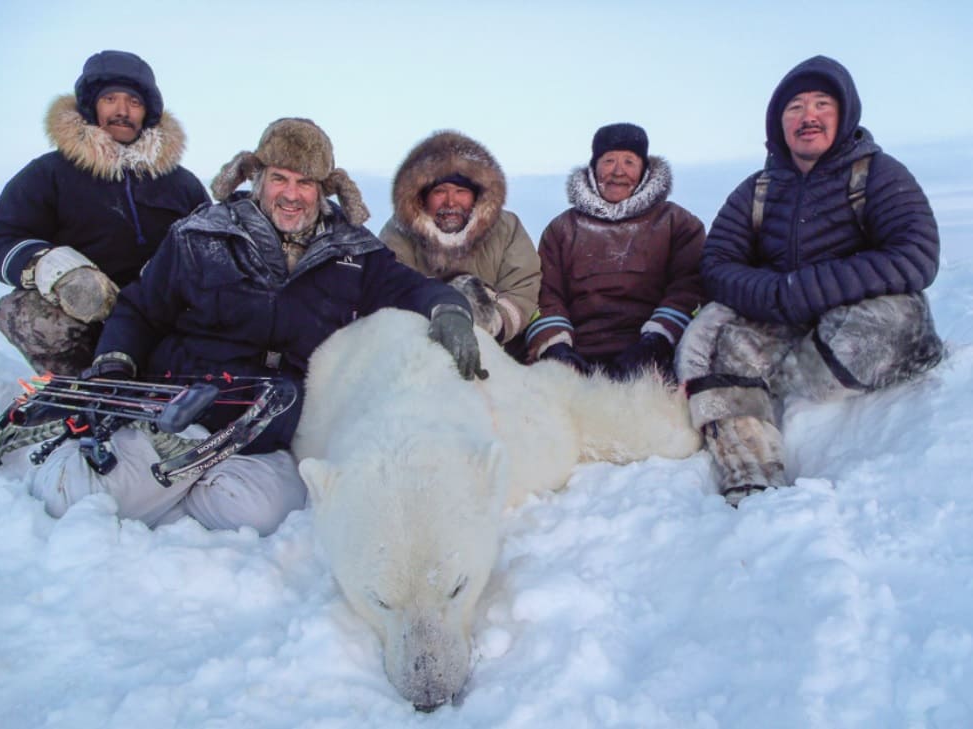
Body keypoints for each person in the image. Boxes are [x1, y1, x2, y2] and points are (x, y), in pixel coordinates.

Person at [25, 117, 484, 536]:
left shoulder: (355, 252)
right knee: (71, 495)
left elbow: (413, 289)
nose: (291, 194)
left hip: (271, 430)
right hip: (184, 412)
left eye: (305, 183)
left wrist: (450, 311)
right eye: (280, 178)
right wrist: (114, 366)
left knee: (251, 515)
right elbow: (140, 309)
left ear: (324, 189)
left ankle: (171, 494)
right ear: (257, 179)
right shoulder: (200, 234)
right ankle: (131, 471)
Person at [676, 55, 944, 507]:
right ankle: (751, 479)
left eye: (822, 104)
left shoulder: (879, 174)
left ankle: (788, 388)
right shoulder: (755, 190)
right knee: (724, 345)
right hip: (783, 320)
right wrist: (775, 295)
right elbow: (718, 263)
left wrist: (810, 288)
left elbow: (916, 255)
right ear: (779, 122)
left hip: (857, 323)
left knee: (897, 316)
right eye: (795, 107)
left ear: (844, 114)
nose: (809, 116)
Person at [0, 50, 209, 375]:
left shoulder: (182, 183)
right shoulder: (49, 173)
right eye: (110, 99)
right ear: (91, 106)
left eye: (133, 102)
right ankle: (80, 388)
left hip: (163, 311)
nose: (121, 111)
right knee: (23, 311)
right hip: (85, 312)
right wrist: (54, 269)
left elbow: (213, 247)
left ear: (148, 112)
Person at [524, 123, 706, 381]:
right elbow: (546, 294)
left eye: (630, 162)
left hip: (655, 353)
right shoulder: (562, 229)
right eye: (608, 160)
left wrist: (657, 341)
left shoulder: (677, 223)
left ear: (644, 170)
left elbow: (689, 287)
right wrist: (556, 347)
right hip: (578, 354)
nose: (618, 171)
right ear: (594, 167)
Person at [378, 130, 541, 353]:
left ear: (477, 195)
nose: (451, 201)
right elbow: (391, 288)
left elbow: (522, 287)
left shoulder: (507, 227)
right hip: (423, 346)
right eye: (439, 191)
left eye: (461, 191)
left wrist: (492, 323)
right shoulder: (398, 232)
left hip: (501, 349)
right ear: (422, 196)